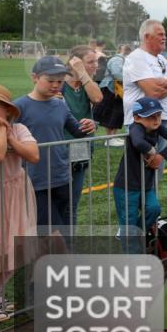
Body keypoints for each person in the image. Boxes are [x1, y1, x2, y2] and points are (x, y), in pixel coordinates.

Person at [12, 56, 96, 234]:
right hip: (35, 180)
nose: (56, 85)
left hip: (62, 177)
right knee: (49, 231)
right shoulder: (20, 106)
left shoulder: (60, 105)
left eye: (60, 81)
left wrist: (89, 125)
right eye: (50, 80)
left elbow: (77, 131)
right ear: (35, 77)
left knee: (64, 225)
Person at [0, 85, 39, 322]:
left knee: (13, 246)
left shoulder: (19, 128)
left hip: (15, 192)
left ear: (7, 109)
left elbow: (33, 155)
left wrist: (11, 135)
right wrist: (1, 130)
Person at [113, 97, 167, 252]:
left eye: (158, 115)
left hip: (146, 185)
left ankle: (135, 233)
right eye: (150, 117)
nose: (156, 120)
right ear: (137, 118)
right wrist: (152, 152)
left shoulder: (157, 127)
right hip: (126, 187)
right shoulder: (135, 128)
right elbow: (137, 142)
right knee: (128, 222)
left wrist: (160, 157)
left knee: (154, 209)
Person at [62, 46, 104, 226]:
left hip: (81, 149)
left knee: (72, 204)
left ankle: (67, 248)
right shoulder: (58, 84)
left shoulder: (87, 85)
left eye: (96, 61)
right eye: (91, 62)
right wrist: (78, 70)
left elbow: (97, 98)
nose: (96, 66)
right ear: (75, 62)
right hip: (60, 148)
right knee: (56, 203)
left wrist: (84, 74)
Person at [122, 20, 167, 135]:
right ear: (147, 37)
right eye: (160, 34)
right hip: (142, 121)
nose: (164, 38)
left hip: (163, 118)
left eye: (165, 34)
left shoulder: (161, 59)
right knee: (147, 153)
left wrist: (166, 83)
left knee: (162, 154)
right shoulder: (136, 58)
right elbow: (153, 93)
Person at [98, 44, 130, 145]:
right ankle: (109, 139)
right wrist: (131, 79)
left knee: (118, 113)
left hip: (118, 90)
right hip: (110, 89)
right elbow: (117, 74)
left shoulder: (122, 60)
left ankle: (114, 136)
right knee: (110, 113)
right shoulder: (117, 59)